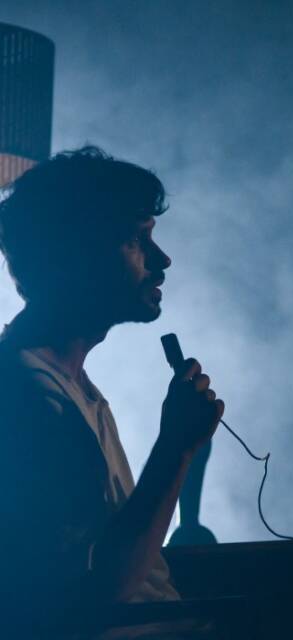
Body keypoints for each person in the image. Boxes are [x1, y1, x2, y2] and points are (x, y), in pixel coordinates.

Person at [0, 146, 224, 638]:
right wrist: (175, 449)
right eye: (137, 240)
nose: (162, 260)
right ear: (78, 255)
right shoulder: (33, 400)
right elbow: (94, 597)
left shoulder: (70, 386)